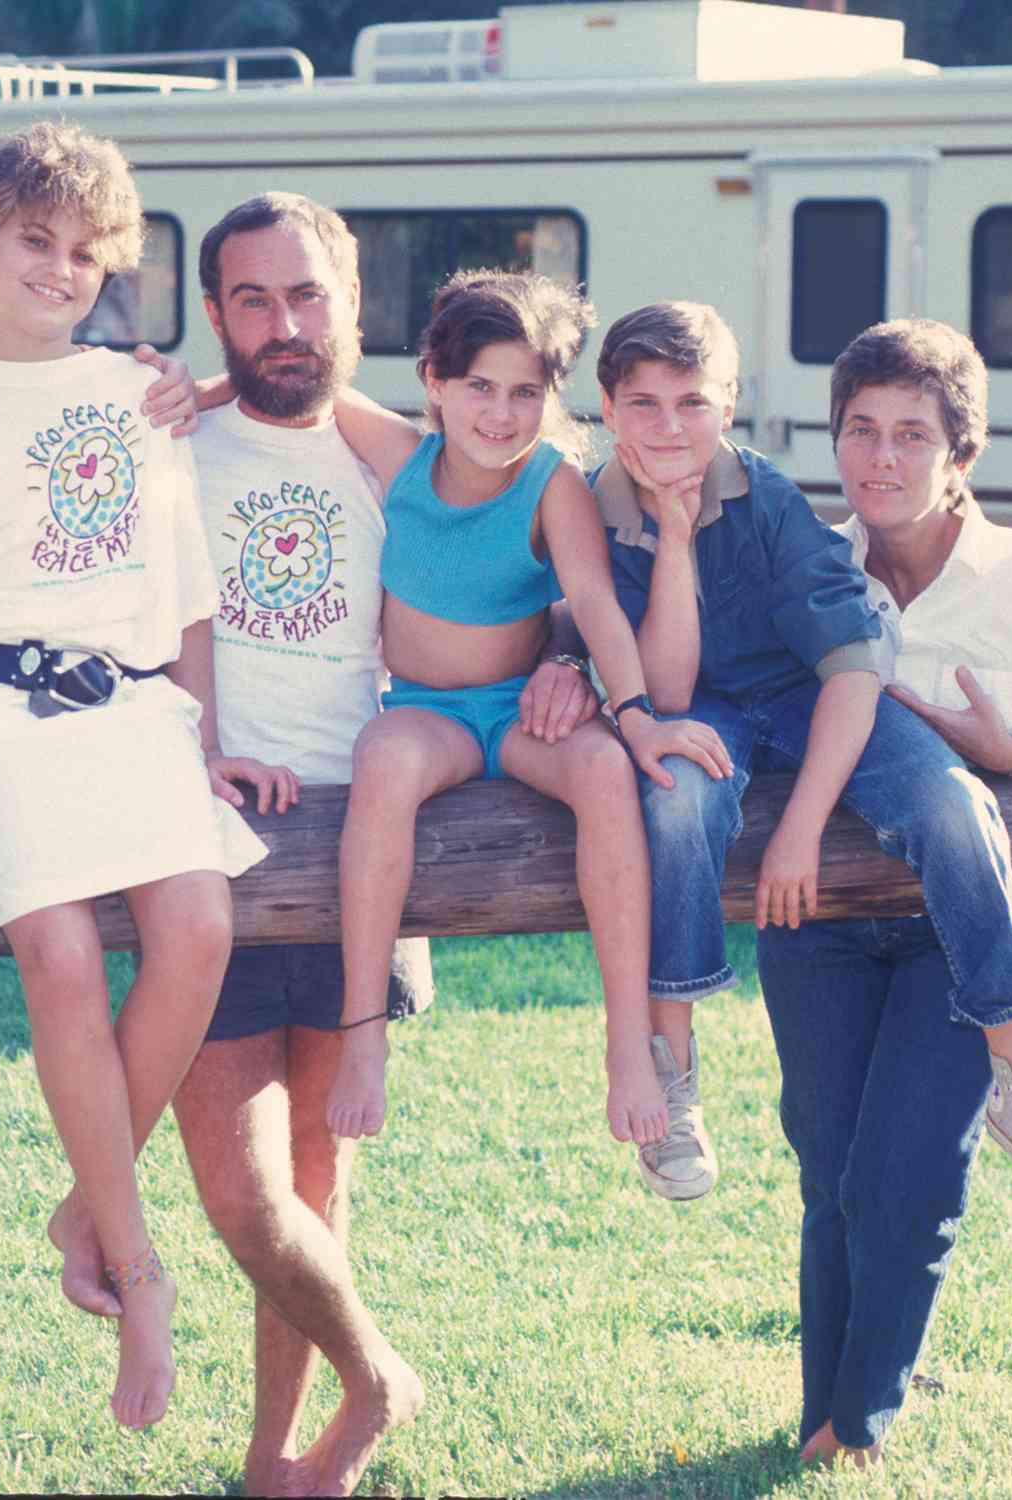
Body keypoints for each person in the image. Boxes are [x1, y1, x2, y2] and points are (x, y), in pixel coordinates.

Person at [164, 193, 605, 1497]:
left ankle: (275, 1463)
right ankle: (375, 1377)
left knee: (315, 1181)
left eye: (309, 296)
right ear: (216, 315)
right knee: (244, 1197)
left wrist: (570, 665)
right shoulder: (172, 441)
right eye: (253, 299)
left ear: (352, 305)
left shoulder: (409, 456)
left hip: (367, 834)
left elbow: (540, 554)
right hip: (219, 836)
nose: (285, 324)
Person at [0, 123, 280, 1432]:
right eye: (34, 241)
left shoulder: (141, 401)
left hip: (133, 709)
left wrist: (204, 733)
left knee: (199, 925)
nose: (58, 267)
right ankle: (137, 1267)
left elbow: (186, 598)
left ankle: (84, 1202)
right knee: (60, 951)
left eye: (84, 252)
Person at [757, 318, 1012, 1466]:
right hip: (822, 922)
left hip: (966, 929)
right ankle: (821, 1415)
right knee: (827, 1161)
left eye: (909, 436)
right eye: (857, 432)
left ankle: (857, 1429)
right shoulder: (801, 576)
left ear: (959, 453)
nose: (878, 458)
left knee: (904, 1173)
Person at [594, 301, 1012, 1203]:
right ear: (607, 410)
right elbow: (674, 693)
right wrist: (678, 537)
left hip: (818, 700)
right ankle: (674, 1068)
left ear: (727, 407)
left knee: (955, 806)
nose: (667, 426)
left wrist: (802, 825)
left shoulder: (765, 496)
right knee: (678, 799)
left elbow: (852, 667)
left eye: (692, 403)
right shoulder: (594, 506)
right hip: (704, 714)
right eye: (642, 404)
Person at [322, 272, 731, 1161]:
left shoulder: (552, 484)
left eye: (524, 393)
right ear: (434, 379)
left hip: (518, 713)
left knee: (604, 771)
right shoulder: (399, 458)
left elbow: (594, 603)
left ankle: (630, 1041)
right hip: (428, 715)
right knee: (382, 759)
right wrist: (187, 387)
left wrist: (635, 720)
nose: (500, 415)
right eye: (479, 387)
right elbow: (318, 384)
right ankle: (363, 1030)